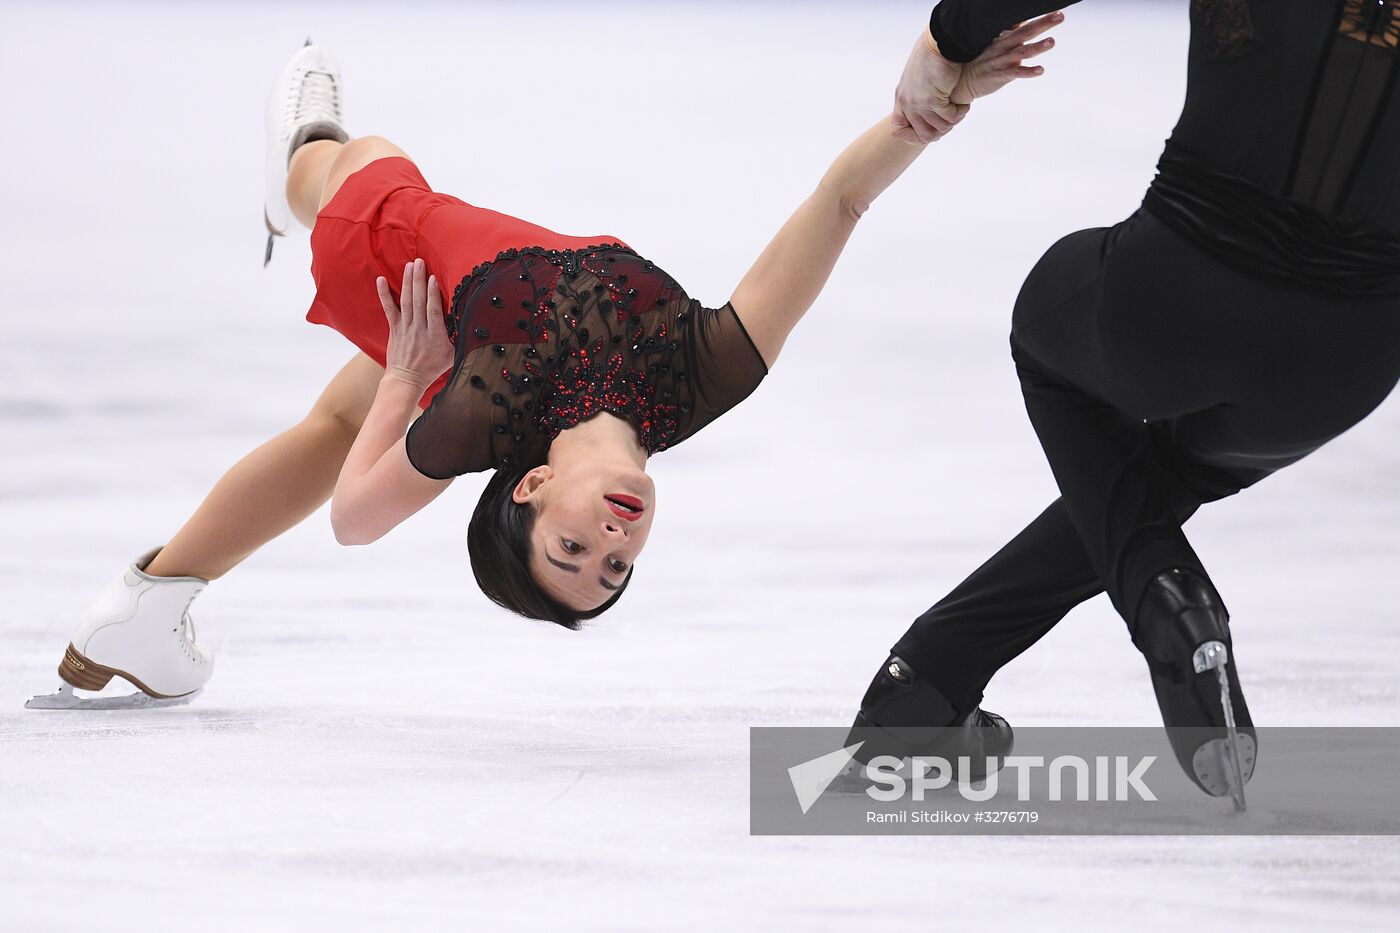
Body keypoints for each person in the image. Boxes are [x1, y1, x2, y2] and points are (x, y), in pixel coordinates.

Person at [28, 22, 1060, 709]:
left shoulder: (478, 413)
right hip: (446, 319)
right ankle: (147, 603)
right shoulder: (704, 375)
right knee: (335, 427)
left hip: (392, 257)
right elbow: (839, 203)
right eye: (613, 570)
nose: (610, 546)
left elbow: (353, 521)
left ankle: (298, 158)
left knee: (345, 165)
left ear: (527, 488)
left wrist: (406, 377)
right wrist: (925, 113)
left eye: (571, 552)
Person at [848, 0, 1400, 808]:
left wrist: (948, 39)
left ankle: (1161, 595)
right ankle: (929, 679)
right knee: (1165, 472)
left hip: (1176, 295)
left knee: (1046, 333)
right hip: (1348, 359)